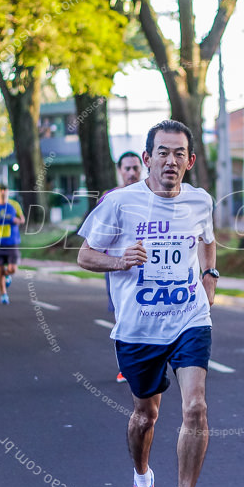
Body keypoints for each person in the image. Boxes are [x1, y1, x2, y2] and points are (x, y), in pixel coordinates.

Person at [77, 120, 219, 487]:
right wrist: (121, 260)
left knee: (196, 407)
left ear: (190, 161)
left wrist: (209, 275)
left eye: (179, 154)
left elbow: (207, 238)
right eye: (162, 152)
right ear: (146, 159)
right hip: (138, 328)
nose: (170, 161)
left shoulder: (200, 201)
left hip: (189, 317)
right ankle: (142, 481)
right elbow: (85, 255)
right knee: (145, 415)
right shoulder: (121, 203)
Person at [105, 152, 144, 383]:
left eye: (135, 168)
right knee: (123, 318)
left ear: (143, 168)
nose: (131, 173)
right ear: (120, 170)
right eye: (127, 168)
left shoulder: (152, 196)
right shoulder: (110, 198)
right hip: (118, 269)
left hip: (147, 267)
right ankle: (125, 366)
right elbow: (98, 237)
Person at [0, 183, 24, 304]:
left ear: (7, 192)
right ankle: (3, 294)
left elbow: (22, 219)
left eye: (5, 190)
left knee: (12, 268)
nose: (3, 192)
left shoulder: (14, 205)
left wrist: (17, 220)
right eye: (1, 190)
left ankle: (8, 275)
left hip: (12, 242)